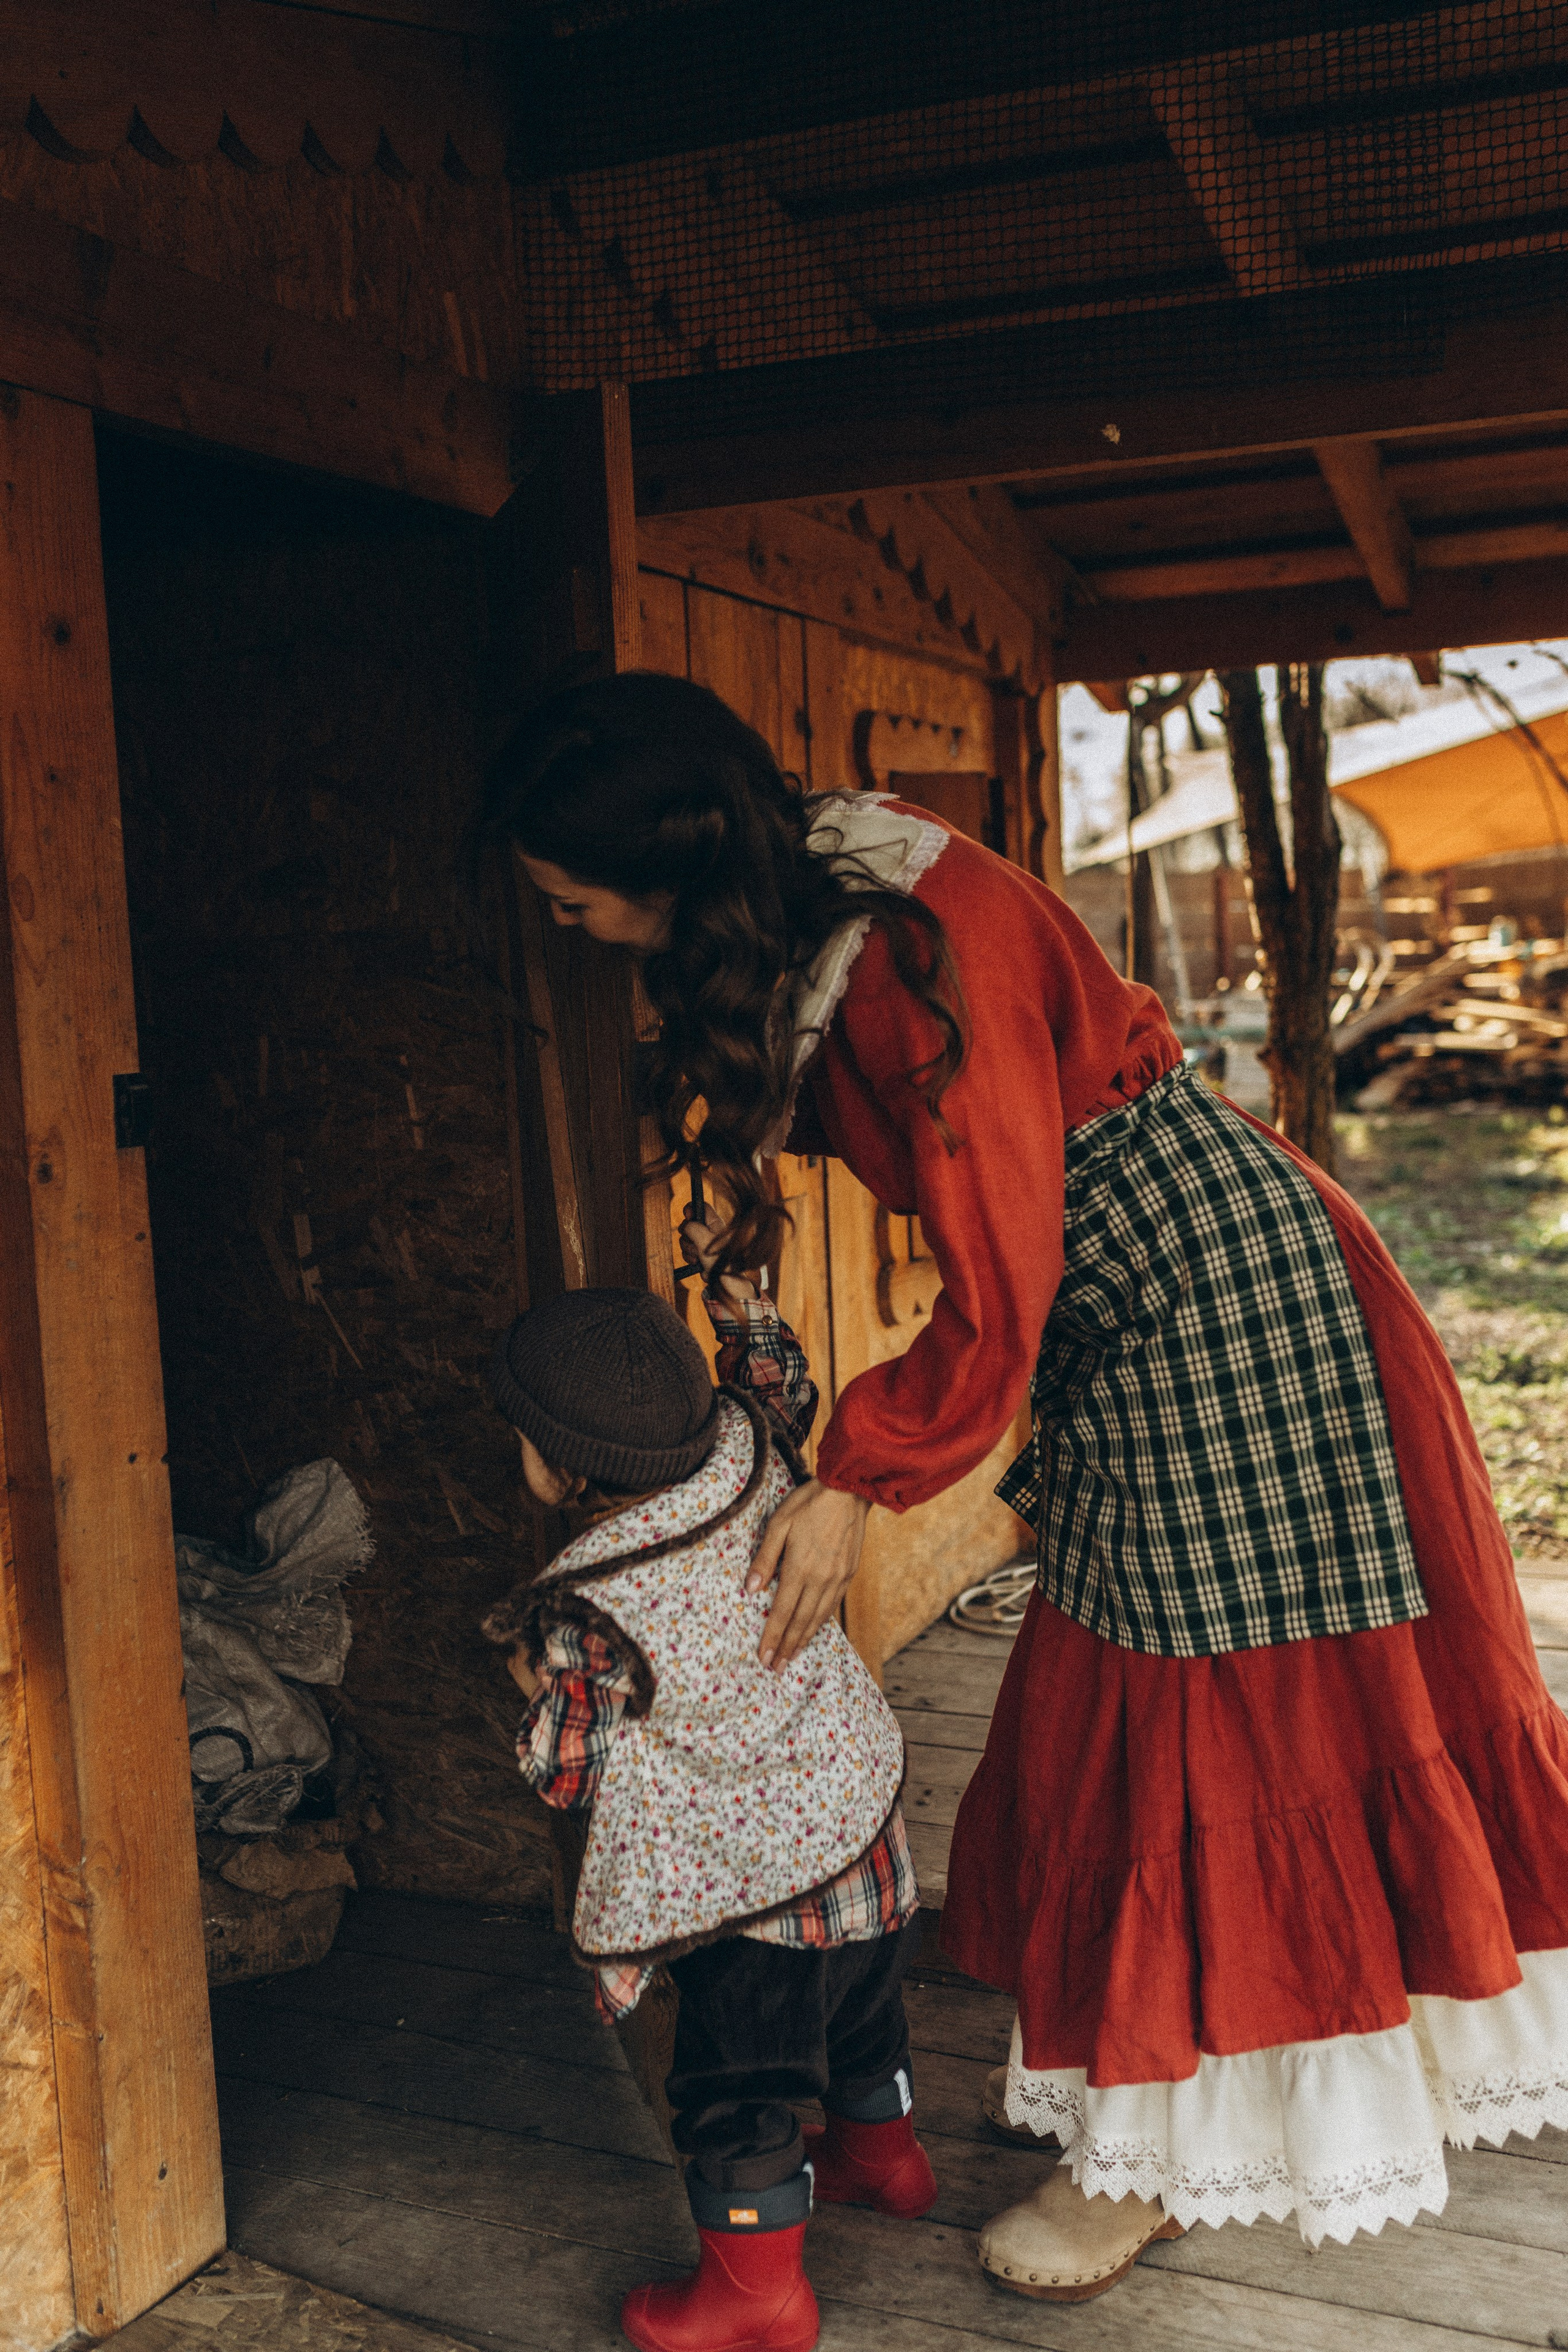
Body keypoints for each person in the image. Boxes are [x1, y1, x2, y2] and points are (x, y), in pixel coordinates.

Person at [478, 668, 1568, 2302]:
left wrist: (862, 1473)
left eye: (574, 903)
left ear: (669, 876)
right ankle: (1180, 2126)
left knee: (1195, 1734)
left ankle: (1156, 2163)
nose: (565, 928)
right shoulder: (840, 882)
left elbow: (1003, 1283)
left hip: (1211, 1319)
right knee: (1157, 1717)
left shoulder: (911, 970)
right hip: (1159, 1297)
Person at [480, 1251, 935, 2352]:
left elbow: (569, 1772)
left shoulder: (596, 1610)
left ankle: (758, 2295)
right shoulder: (753, 1445)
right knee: (865, 2003)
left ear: (566, 1468)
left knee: (739, 2086)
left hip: (756, 1888)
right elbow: (787, 1390)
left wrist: (525, 1684)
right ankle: (887, 2161)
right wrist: (753, 1322)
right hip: (857, 1813)